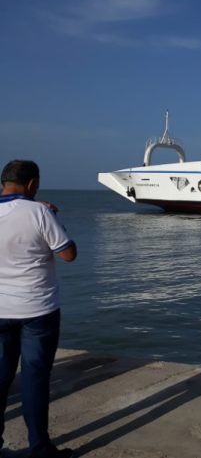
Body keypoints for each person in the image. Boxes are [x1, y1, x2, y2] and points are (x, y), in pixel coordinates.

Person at [0, 160, 76, 458]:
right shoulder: (40, 212)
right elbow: (68, 254)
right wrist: (54, 218)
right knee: (34, 378)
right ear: (32, 184)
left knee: (1, 377)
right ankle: (40, 449)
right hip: (37, 310)